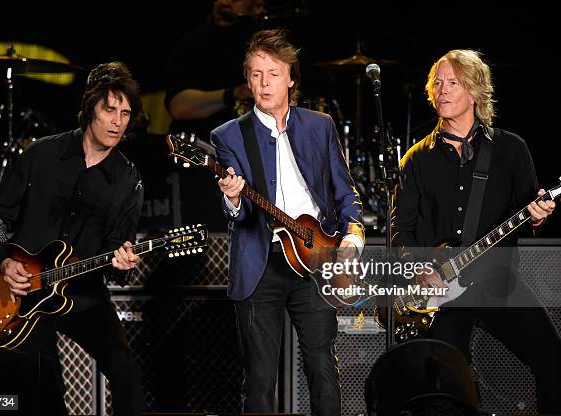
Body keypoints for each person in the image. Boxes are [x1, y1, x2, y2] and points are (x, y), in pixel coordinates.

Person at [392, 49, 561, 414]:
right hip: (443, 295)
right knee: (444, 388)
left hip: (499, 283)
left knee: (555, 363)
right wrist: (419, 267)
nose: (442, 90)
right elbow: (400, 232)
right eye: (437, 82)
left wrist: (538, 215)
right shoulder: (416, 158)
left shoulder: (511, 149)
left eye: (453, 82)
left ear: (475, 91)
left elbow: (531, 215)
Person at [211, 29, 365, 415]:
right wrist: (232, 197)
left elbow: (346, 194)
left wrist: (352, 238)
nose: (264, 83)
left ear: (291, 78)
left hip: (317, 257)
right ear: (247, 79)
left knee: (323, 369)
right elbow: (242, 212)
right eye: (256, 74)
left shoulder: (320, 125)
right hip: (261, 263)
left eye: (274, 73)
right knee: (260, 381)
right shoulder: (228, 135)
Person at [0, 61, 145, 416]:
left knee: (125, 369)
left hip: (83, 295)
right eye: (110, 110)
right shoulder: (41, 153)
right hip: (23, 295)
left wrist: (122, 263)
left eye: (126, 113)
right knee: (46, 383)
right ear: (90, 109)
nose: (118, 121)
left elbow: (118, 259)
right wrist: (4, 261)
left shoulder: (129, 180)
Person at [164, 0, 265, 141]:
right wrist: (234, 94)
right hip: (200, 149)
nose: (223, 2)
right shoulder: (193, 42)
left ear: (257, 6)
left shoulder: (270, 45)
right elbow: (178, 106)